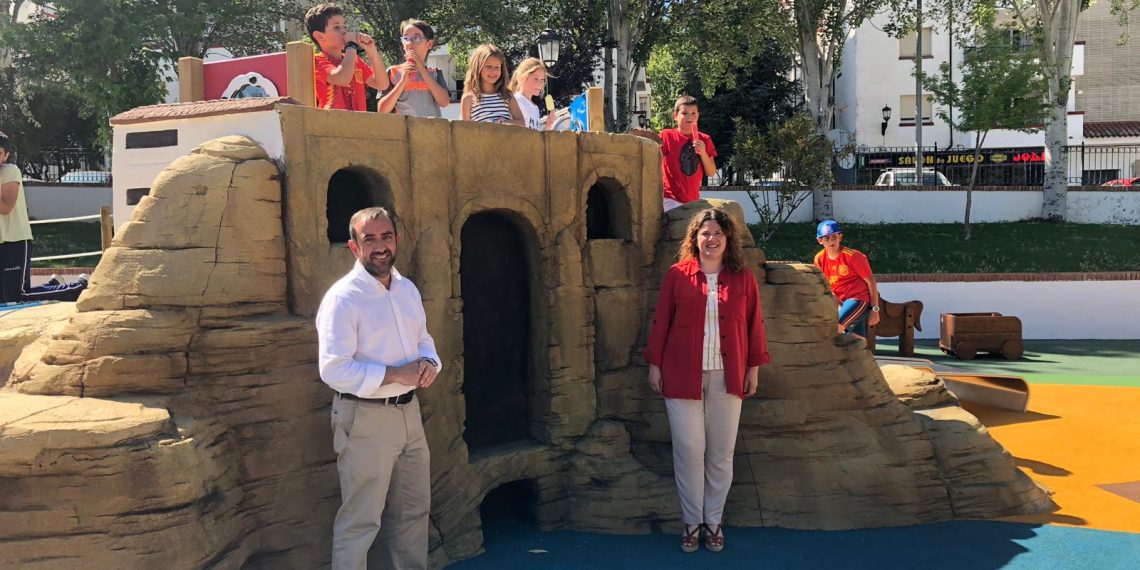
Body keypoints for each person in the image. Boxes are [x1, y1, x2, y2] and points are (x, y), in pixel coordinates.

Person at [316, 207, 441, 570]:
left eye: (386, 236)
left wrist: (430, 363)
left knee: (414, 511)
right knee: (361, 521)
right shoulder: (343, 299)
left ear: (396, 240)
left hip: (409, 414)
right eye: (369, 239)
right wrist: (395, 374)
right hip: (365, 418)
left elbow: (424, 340)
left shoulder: (406, 289)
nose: (380, 246)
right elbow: (333, 369)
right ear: (354, 248)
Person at [644, 207, 770, 554]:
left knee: (720, 454)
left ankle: (713, 522)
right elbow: (661, 323)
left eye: (717, 233)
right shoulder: (677, 275)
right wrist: (654, 365)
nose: (711, 239)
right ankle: (691, 521)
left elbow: (754, 325)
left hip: (727, 376)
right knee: (688, 450)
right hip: (681, 373)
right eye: (705, 233)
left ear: (728, 239)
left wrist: (753, 368)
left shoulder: (743, 279)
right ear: (694, 239)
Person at [0, 133, 88, 304]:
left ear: (6, 155)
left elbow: (6, 207)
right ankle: (53, 284)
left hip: (15, 241)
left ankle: (78, 287)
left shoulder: (10, 171)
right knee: (4, 299)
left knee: (17, 297)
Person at [305, 3, 389, 111]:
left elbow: (382, 84)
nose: (344, 31)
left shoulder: (354, 58)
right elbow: (342, 78)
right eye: (336, 27)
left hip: (358, 124)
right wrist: (351, 45)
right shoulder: (316, 61)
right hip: (332, 125)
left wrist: (372, 53)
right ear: (319, 36)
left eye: (344, 26)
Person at [812, 220, 880, 348]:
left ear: (840, 237)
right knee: (858, 340)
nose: (831, 241)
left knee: (834, 326)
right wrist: (837, 305)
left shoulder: (853, 256)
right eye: (827, 238)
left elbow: (871, 281)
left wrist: (875, 309)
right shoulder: (819, 258)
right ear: (820, 240)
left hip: (858, 300)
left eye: (834, 237)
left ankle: (824, 360)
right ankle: (861, 366)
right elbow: (825, 285)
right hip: (841, 302)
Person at [377, 19, 451, 117]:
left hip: (432, 130)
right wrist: (402, 83)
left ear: (429, 44)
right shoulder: (392, 72)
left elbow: (444, 102)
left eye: (416, 38)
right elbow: (382, 110)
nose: (410, 43)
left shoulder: (435, 72)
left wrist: (423, 71)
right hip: (403, 130)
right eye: (406, 38)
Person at [660, 95, 717, 211]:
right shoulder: (666, 136)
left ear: (698, 116)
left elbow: (711, 172)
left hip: (694, 199)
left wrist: (703, 152)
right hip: (670, 198)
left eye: (693, 113)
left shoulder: (705, 139)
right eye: (684, 113)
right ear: (675, 116)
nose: (689, 117)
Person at [460, 44, 524, 125]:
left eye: (497, 67)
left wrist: (503, 123)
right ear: (478, 67)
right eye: (489, 66)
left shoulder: (507, 96)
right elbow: (464, 131)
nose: (493, 71)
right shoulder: (468, 98)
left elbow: (522, 123)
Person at [507, 57, 559, 131]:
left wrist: (549, 125)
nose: (540, 84)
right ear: (522, 77)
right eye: (536, 78)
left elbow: (535, 139)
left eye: (542, 79)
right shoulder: (515, 100)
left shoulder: (535, 108)